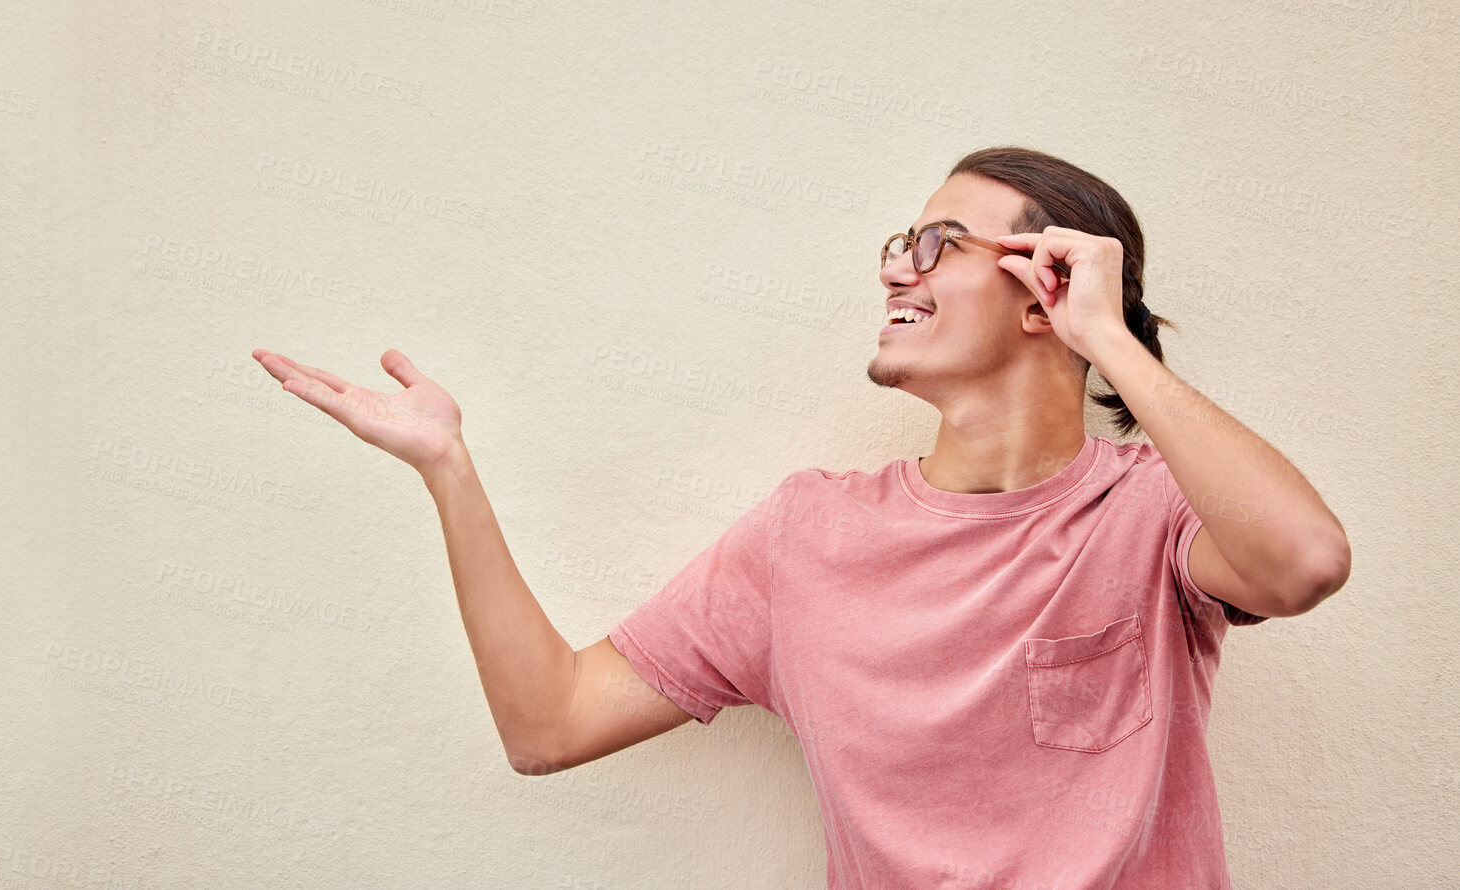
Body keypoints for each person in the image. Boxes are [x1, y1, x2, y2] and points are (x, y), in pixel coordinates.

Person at [252, 144, 1351, 889]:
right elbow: (547, 724)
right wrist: (447, 466)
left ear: (1042, 287)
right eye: (894, 243)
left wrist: (1106, 339)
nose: (893, 271)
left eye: (935, 244)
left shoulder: (1153, 507)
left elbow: (1303, 560)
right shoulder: (803, 537)